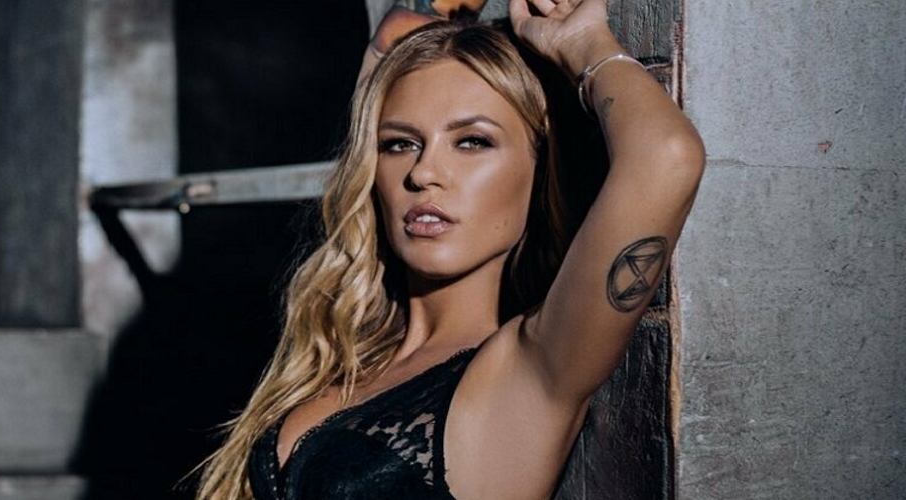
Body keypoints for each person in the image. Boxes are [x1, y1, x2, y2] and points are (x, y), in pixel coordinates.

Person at [193, 0, 705, 498]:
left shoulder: (528, 371)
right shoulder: (342, 349)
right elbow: (381, 65)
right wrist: (436, 14)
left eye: (472, 141)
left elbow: (666, 156)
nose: (423, 173)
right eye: (400, 144)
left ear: (539, 170)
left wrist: (585, 42)